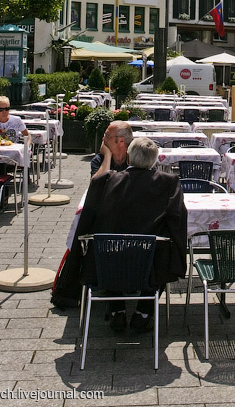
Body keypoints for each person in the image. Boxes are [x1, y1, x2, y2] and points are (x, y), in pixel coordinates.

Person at [75, 136, 187, 332]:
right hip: (148, 262)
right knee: (161, 253)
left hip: (108, 260)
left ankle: (117, 309)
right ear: (155, 160)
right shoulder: (168, 182)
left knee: (107, 248)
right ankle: (143, 312)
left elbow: (88, 220)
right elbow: (177, 218)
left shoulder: (105, 181)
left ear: (129, 158)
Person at [0, 96, 29, 205]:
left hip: (12, 154)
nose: (4, 112)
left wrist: (27, 146)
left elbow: (27, 135)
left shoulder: (16, 120)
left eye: (7, 109)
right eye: (1, 109)